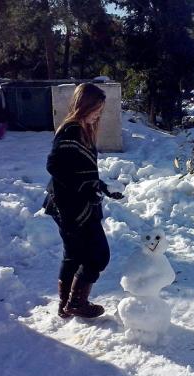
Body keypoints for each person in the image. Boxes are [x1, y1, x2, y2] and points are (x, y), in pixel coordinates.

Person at [43, 83, 123, 318]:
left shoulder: (82, 129)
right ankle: (76, 303)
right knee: (98, 255)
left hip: (73, 205)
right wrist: (83, 190)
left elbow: (78, 169)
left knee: (74, 255)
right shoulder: (71, 130)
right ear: (83, 105)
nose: (99, 113)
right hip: (72, 208)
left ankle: (66, 305)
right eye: (96, 108)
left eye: (100, 109)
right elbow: (55, 166)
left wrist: (104, 188)